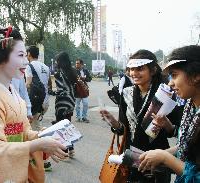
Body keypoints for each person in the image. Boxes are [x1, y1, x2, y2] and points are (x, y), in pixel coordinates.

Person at [0, 26, 67, 183]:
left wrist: (41, 137)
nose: (26, 61)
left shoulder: (12, 91)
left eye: (26, 55)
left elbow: (23, 132)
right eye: (20, 55)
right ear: (1, 57)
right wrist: (37, 144)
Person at [100, 49, 182, 182]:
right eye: (131, 69)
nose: (134, 73)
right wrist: (113, 122)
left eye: (140, 69)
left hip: (157, 158)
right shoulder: (126, 93)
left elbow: (176, 131)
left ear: (153, 70)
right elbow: (123, 129)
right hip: (131, 157)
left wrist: (166, 125)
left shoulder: (165, 94)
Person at [138, 45, 200, 183]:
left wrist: (164, 157)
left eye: (175, 75)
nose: (171, 83)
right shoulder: (190, 107)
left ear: (196, 75)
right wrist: (161, 153)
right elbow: (186, 145)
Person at [54, 51, 77, 158]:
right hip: (71, 102)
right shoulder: (73, 71)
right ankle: (71, 150)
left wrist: (52, 92)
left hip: (62, 103)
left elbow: (60, 89)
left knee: (61, 127)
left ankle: (65, 151)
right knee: (67, 125)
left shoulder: (59, 73)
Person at [25, 45, 51, 130]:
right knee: (36, 124)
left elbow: (28, 84)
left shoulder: (29, 66)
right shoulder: (46, 67)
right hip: (45, 102)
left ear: (29, 54)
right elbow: (49, 84)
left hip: (35, 102)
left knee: (33, 128)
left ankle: (45, 139)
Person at [75, 58, 92, 123]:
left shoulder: (85, 71)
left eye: (78, 63)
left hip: (84, 90)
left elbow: (90, 79)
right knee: (77, 105)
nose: (76, 65)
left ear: (81, 64)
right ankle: (78, 117)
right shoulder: (74, 71)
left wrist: (84, 79)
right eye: (76, 63)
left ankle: (84, 117)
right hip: (77, 90)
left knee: (85, 104)